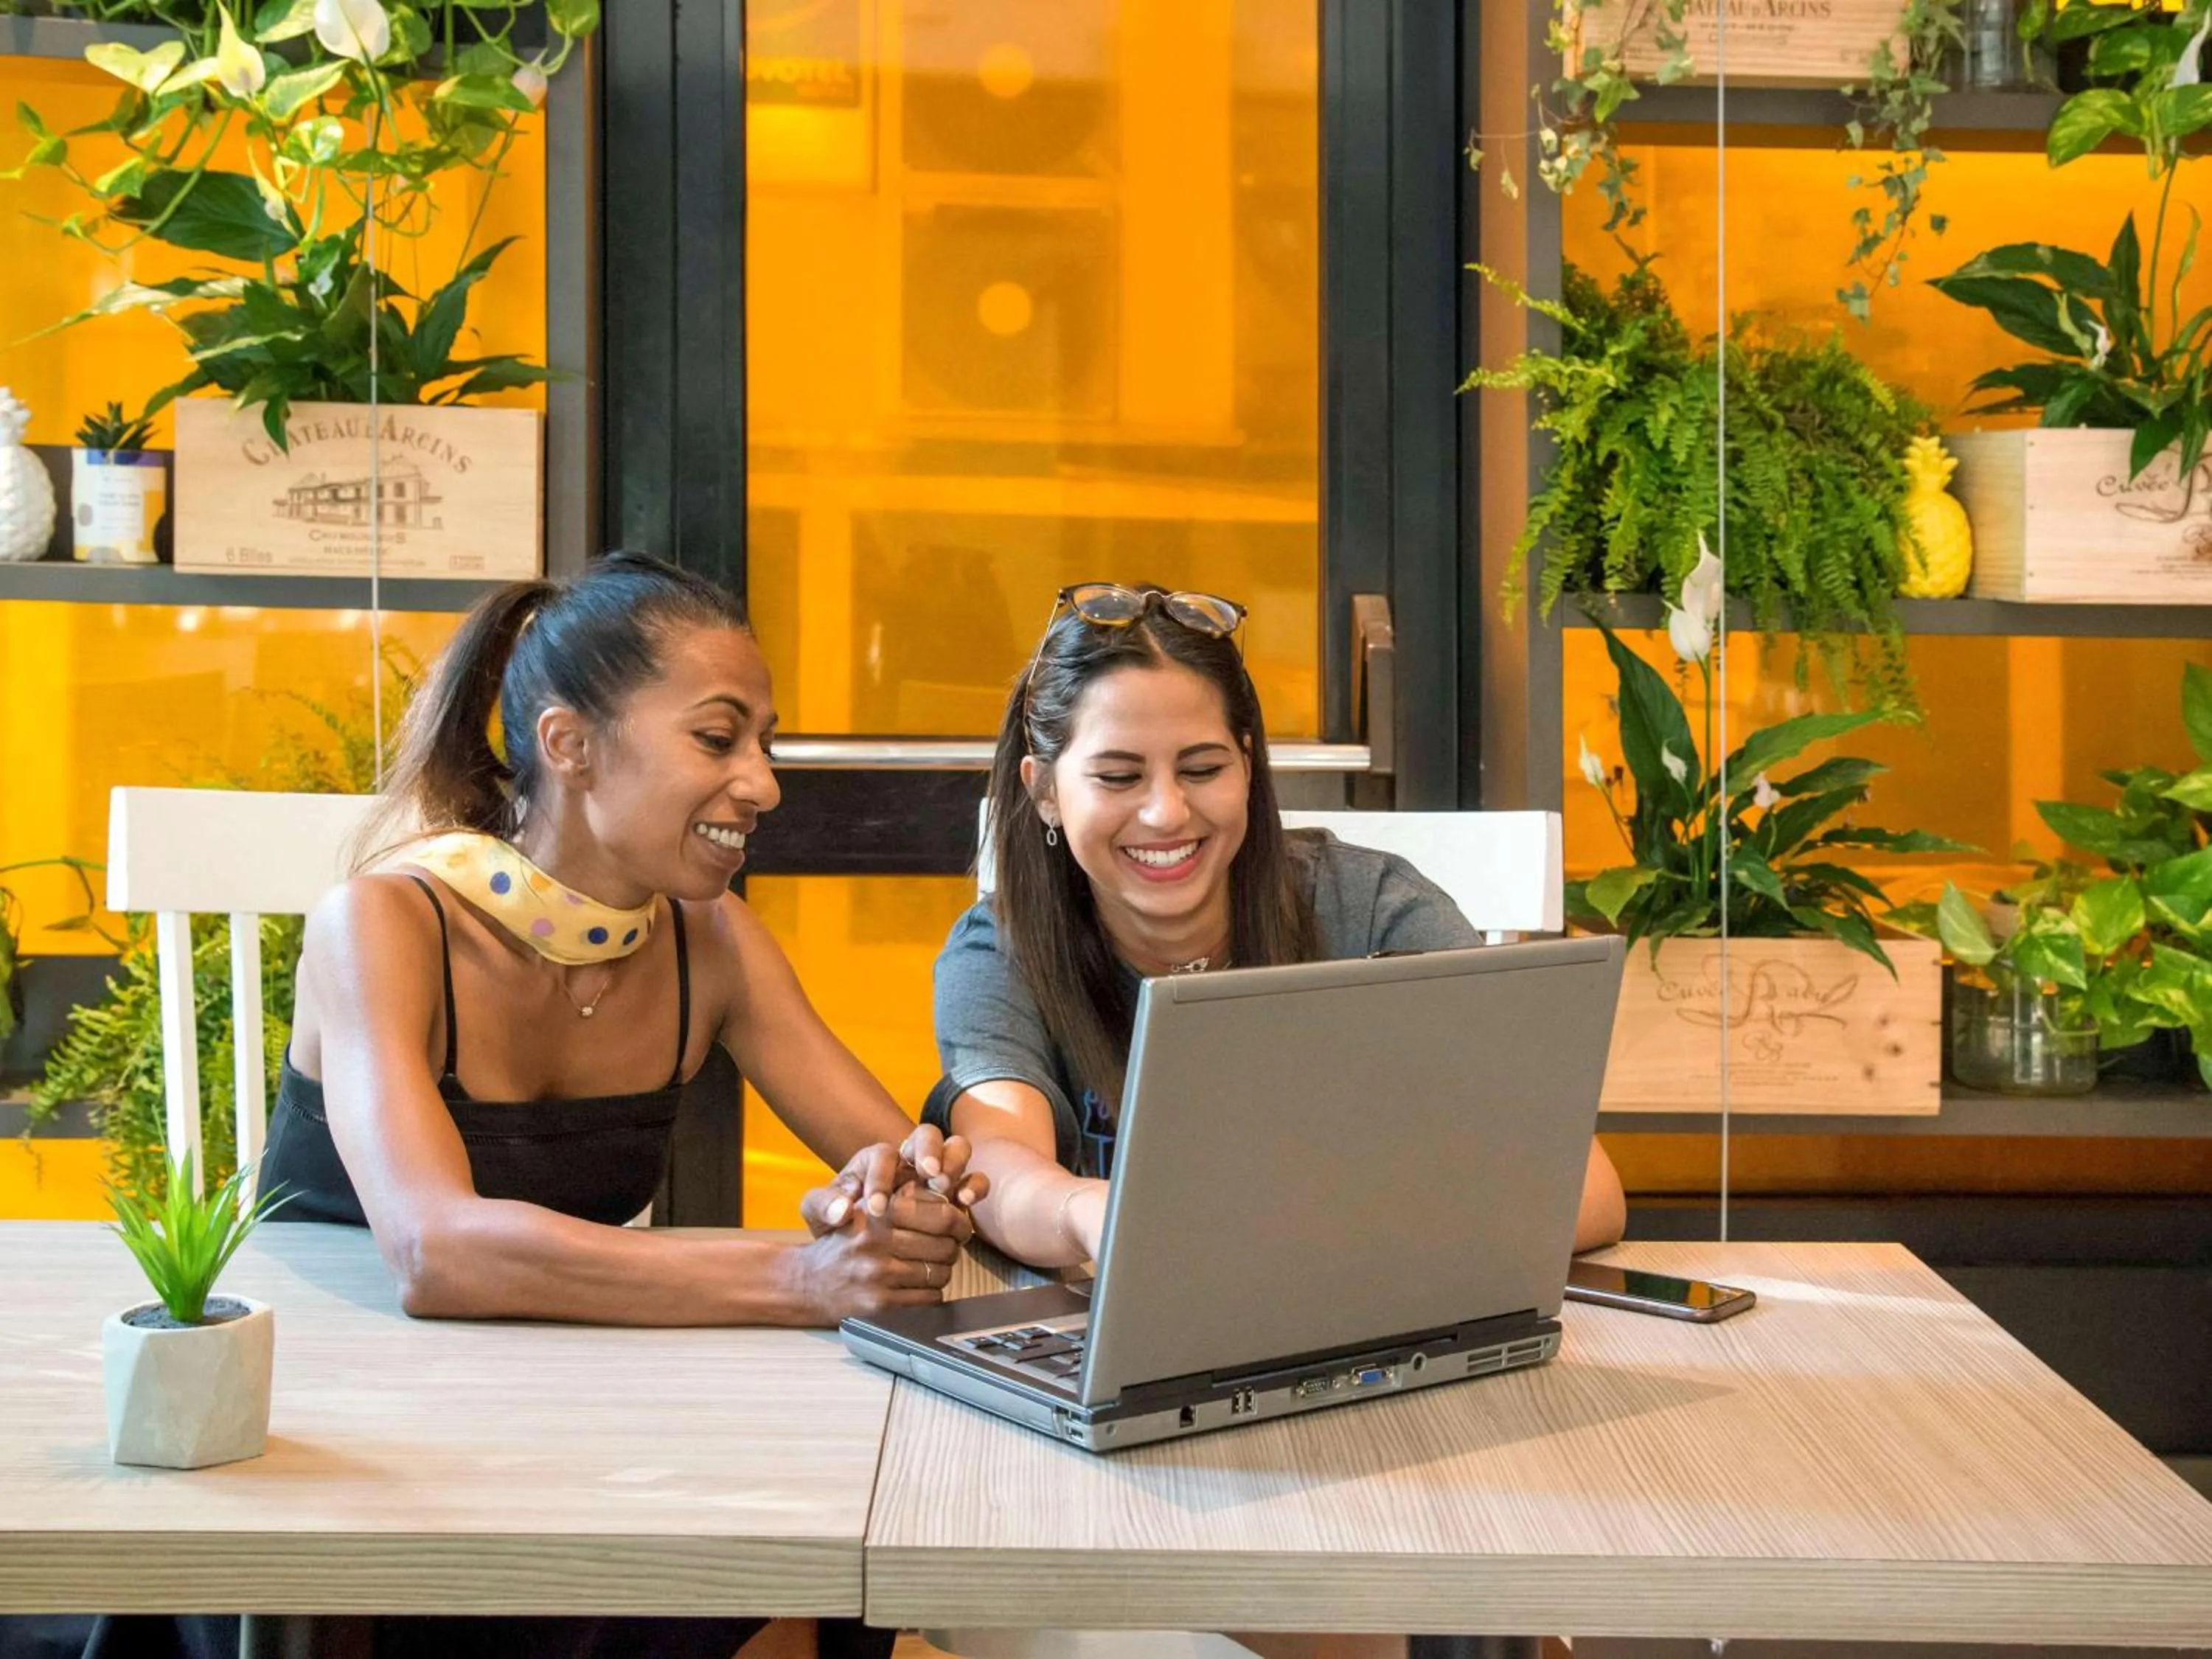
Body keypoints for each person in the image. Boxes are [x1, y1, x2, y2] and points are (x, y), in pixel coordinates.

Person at [248, 551, 973, 1659]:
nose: (764, 782)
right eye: (719, 737)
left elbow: (894, 1158)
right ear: (570, 744)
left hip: (563, 1406)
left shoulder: (712, 941)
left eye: (766, 743)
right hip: (331, 1446)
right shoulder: (383, 924)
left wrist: (905, 1196)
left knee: (812, 1550)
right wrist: (801, 1273)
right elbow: (435, 1250)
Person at [925, 581, 1627, 1272]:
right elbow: (997, 1162)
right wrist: (1088, 1214)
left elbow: (1583, 1189)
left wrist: (1320, 1238)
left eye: (1202, 768)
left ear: (1249, 767)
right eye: (1118, 777)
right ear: (1043, 791)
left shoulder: (1375, 908)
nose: (1166, 813)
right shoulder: (1000, 953)